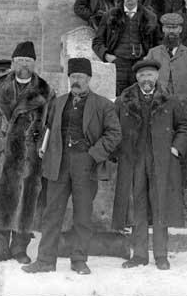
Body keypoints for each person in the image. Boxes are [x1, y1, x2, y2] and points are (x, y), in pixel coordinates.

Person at [22, 58, 122, 275]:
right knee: (52, 213)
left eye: (81, 77)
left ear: (89, 79)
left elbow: (114, 134)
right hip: (59, 163)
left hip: (86, 165)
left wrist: (93, 154)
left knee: (83, 215)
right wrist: (44, 149)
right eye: (73, 77)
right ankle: (45, 260)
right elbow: (47, 129)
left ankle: (79, 260)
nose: (76, 81)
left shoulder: (103, 105)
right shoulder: (57, 103)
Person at [0, 41, 54, 264]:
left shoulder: (46, 91)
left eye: (28, 61)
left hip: (28, 157)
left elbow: (51, 124)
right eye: (20, 61)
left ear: (34, 64)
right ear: (13, 63)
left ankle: (20, 249)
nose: (24, 66)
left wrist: (41, 146)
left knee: (24, 202)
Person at [112, 59, 187, 270]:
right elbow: (111, 126)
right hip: (134, 161)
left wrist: (175, 148)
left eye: (150, 75)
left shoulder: (170, 100)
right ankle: (139, 254)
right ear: (136, 78)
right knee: (137, 207)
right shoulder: (123, 100)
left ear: (157, 77)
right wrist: (117, 152)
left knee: (160, 206)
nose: (146, 79)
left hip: (161, 162)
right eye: (142, 75)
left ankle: (160, 254)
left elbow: (184, 126)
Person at [92, 0, 160, 95]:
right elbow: (97, 42)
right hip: (118, 64)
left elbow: (158, 43)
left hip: (141, 64)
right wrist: (107, 56)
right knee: (119, 97)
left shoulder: (150, 17)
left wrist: (149, 57)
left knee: (141, 96)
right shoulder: (110, 16)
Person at [144, 12, 187, 102]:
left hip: (183, 106)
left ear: (180, 29)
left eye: (174, 28)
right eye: (168, 27)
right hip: (158, 104)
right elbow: (144, 80)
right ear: (163, 29)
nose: (171, 31)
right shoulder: (153, 53)